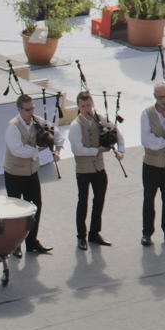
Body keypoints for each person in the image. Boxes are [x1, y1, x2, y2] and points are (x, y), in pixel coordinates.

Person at [4, 93, 63, 255]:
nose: (31, 112)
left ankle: (32, 242)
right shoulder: (13, 126)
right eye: (27, 109)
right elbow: (18, 150)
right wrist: (40, 149)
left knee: (35, 207)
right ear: (19, 109)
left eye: (32, 108)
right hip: (14, 173)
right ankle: (15, 244)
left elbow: (55, 131)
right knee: (15, 211)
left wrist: (57, 148)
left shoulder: (36, 121)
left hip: (31, 173)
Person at [70, 91, 123, 250]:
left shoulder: (100, 119)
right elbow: (77, 149)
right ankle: (81, 236)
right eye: (83, 106)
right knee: (83, 202)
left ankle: (94, 233)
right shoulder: (75, 125)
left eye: (88, 105)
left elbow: (117, 132)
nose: (86, 108)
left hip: (99, 168)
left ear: (92, 103)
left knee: (99, 200)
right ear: (79, 106)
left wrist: (121, 150)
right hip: (84, 170)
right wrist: (98, 150)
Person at [140, 83, 165, 246]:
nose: (164, 100)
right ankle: (147, 233)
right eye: (161, 97)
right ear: (155, 97)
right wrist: (163, 142)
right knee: (149, 199)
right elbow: (147, 140)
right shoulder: (147, 114)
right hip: (151, 165)